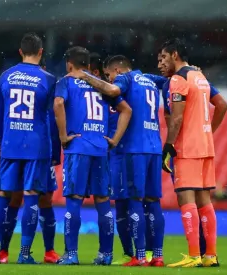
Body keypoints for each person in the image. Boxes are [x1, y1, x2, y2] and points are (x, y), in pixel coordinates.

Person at [68, 55, 165, 267]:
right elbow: (170, 81)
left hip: (133, 147)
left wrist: (84, 76)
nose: (109, 80)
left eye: (110, 75)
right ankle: (157, 256)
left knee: (133, 200)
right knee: (153, 201)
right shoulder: (148, 79)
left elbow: (113, 91)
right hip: (155, 147)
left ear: (118, 71)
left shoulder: (126, 79)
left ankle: (138, 256)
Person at [56, 46, 132, 265]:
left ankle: (71, 254)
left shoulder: (66, 81)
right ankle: (106, 254)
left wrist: (63, 136)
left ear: (69, 64)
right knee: (102, 201)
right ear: (88, 66)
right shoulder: (101, 86)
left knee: (74, 200)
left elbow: (59, 103)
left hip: (78, 146)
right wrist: (114, 140)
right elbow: (126, 110)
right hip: (100, 147)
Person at [0, 33, 56, 264]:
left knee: (3, 198)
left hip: (10, 145)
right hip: (36, 147)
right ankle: (24, 254)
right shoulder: (48, 79)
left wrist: (1, 138)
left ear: (20, 52)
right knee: (31, 198)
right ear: (40, 52)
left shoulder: (6, 76)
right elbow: (50, 118)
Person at [158, 38, 224, 268]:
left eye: (163, 57)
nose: (160, 63)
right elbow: (222, 105)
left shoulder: (179, 79)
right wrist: (207, 131)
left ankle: (194, 254)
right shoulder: (200, 76)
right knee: (204, 199)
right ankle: (210, 256)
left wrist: (168, 146)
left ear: (175, 55)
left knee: (185, 196)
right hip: (206, 145)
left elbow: (176, 117)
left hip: (187, 147)